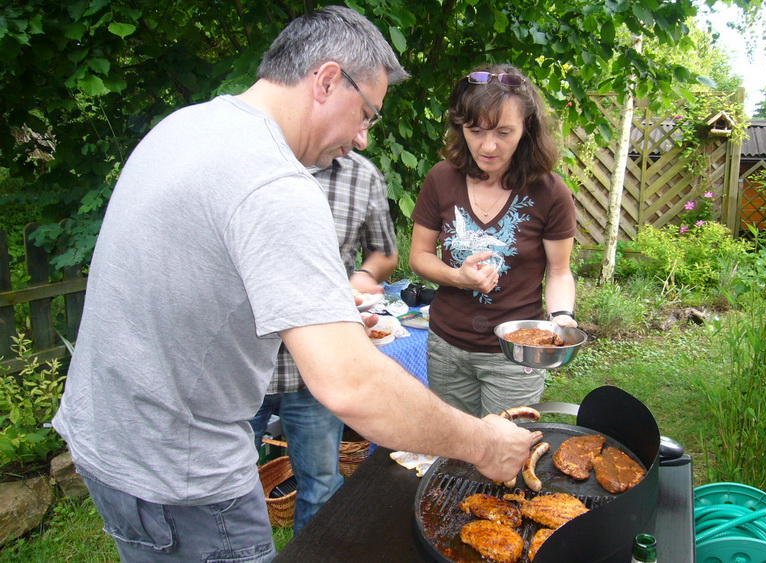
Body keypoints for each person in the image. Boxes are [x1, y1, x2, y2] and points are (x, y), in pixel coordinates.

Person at [52, 8, 539, 562]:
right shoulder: (275, 184)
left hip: (107, 439)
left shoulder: (188, 124)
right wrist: (482, 443)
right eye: (366, 115)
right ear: (328, 80)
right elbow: (350, 384)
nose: (360, 139)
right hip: (180, 474)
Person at [409, 63, 579, 418]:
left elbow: (560, 272)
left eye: (504, 132)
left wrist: (561, 316)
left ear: (526, 130)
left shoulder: (550, 192)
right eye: (475, 130)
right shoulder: (441, 179)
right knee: (454, 452)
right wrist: (458, 277)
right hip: (447, 349)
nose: (488, 146)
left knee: (505, 455)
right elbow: (419, 256)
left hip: (516, 356)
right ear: (461, 127)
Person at [250, 150, 398, 535]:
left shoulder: (362, 175)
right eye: (363, 115)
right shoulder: (249, 161)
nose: (365, 137)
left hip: (318, 370)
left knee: (320, 486)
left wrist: (362, 276)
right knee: (224, 491)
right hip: (243, 368)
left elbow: (385, 252)